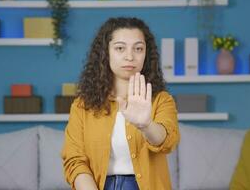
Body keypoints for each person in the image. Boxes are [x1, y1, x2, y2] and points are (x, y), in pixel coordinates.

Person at [61, 17, 179, 190]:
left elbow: (167, 141)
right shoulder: (82, 106)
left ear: (146, 54)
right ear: (105, 52)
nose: (130, 56)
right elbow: (74, 160)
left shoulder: (162, 100)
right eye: (120, 48)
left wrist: (146, 125)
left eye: (138, 48)